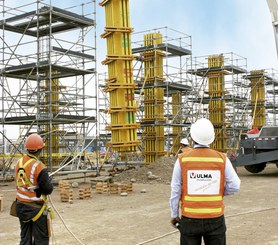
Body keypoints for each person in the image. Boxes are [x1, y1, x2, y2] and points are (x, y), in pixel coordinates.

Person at [169, 118, 240, 245]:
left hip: (190, 218)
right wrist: (220, 192)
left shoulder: (182, 160)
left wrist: (174, 214)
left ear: (192, 137)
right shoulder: (222, 159)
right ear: (211, 138)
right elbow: (235, 185)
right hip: (215, 219)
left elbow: (175, 189)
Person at [15, 133, 53, 245]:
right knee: (41, 240)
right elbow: (48, 189)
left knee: (25, 239)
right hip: (36, 208)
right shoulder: (39, 166)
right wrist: (48, 180)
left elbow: (18, 183)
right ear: (40, 149)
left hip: (21, 206)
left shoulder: (19, 163)